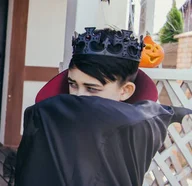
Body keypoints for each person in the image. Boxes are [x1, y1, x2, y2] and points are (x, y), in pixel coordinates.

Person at [14, 27, 192, 185]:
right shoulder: (50, 119)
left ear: (126, 91)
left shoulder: (136, 126)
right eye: (73, 84)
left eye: (92, 89)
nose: (77, 96)